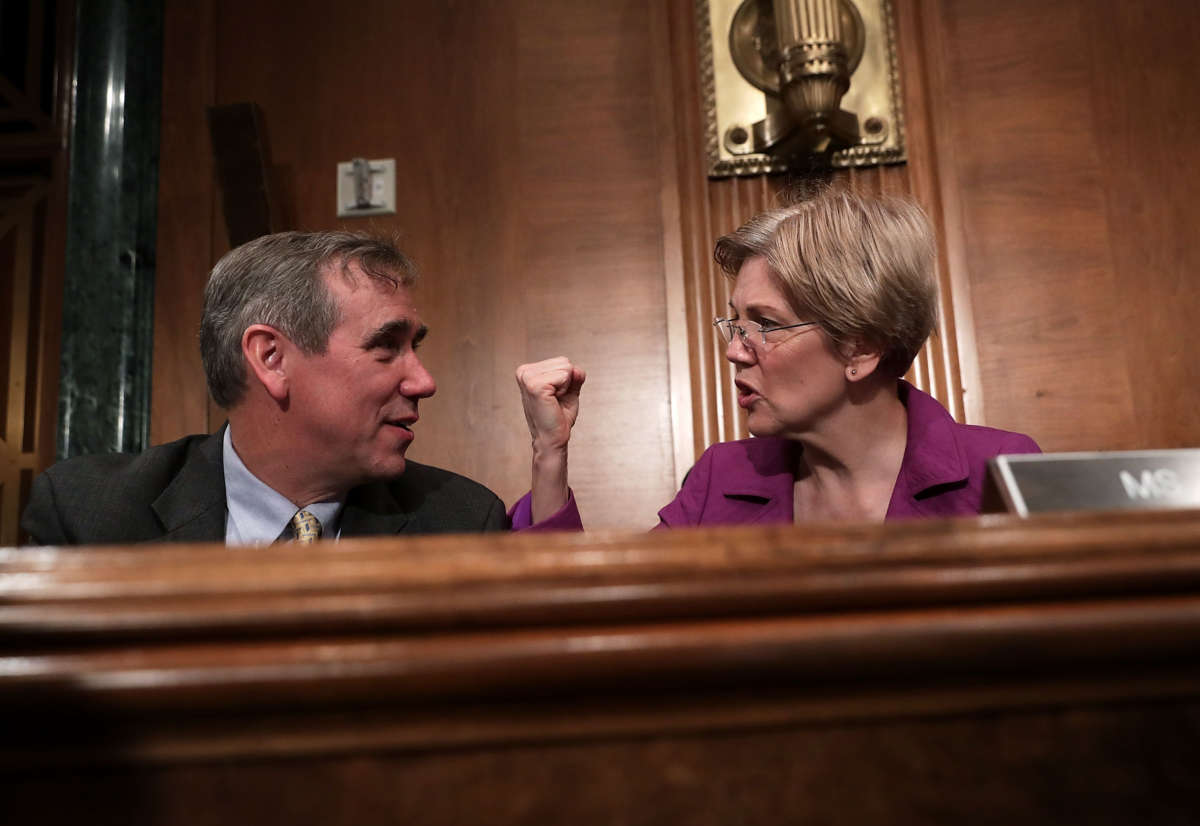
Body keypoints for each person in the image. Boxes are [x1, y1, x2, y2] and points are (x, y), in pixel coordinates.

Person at [511, 189, 1039, 530]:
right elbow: (603, 631)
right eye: (735, 323)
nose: (734, 350)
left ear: (861, 347)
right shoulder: (721, 481)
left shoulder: (1000, 476)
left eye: (765, 325)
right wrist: (549, 452)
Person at [22, 231, 507, 545]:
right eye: (386, 347)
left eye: (415, 347)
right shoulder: (87, 517)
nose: (424, 382)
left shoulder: (461, 522)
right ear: (271, 358)